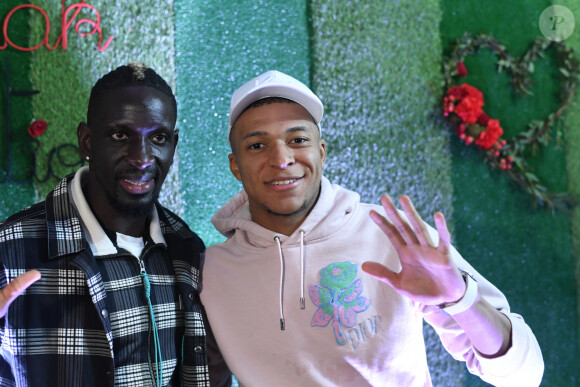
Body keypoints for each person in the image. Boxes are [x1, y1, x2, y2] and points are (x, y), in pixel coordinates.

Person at [200, 70, 544, 386]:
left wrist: (460, 299)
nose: (281, 158)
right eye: (257, 145)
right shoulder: (210, 273)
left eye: (298, 140)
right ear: (236, 166)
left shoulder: (393, 236)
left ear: (321, 152)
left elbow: (523, 376)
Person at [0, 63, 228, 386]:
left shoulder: (186, 248)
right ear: (87, 142)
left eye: (159, 138)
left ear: (173, 146)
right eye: (121, 135)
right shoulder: (10, 251)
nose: (141, 157)